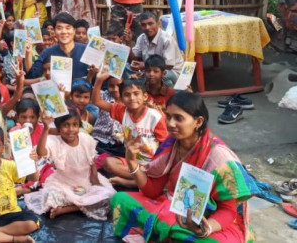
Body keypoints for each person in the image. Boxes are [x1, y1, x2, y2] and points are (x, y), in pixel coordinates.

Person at [111, 92, 259, 242]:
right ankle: (169, 229)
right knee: (120, 199)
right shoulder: (170, 144)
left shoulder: (219, 157)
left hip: (209, 219)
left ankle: (168, 230)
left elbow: (228, 210)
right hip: (172, 207)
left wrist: (205, 228)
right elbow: (153, 191)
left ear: (198, 121)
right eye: (168, 117)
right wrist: (131, 162)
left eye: (178, 118)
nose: (170, 124)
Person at [25, 109, 115, 220]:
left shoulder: (85, 138)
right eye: (66, 125)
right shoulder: (54, 141)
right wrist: (46, 128)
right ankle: (81, 205)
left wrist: (95, 184)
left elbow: (92, 163)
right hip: (63, 183)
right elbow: (41, 152)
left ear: (79, 126)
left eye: (74, 125)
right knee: (50, 195)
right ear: (58, 128)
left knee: (107, 196)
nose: (71, 129)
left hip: (86, 181)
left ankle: (69, 208)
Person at [92, 76, 168, 187]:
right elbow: (97, 101)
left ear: (145, 96)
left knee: (157, 171)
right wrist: (99, 79)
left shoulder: (155, 116)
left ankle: (133, 182)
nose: (132, 98)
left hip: (151, 163)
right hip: (132, 162)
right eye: (127, 95)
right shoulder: (121, 111)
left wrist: (156, 165)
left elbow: (165, 145)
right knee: (108, 163)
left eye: (136, 94)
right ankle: (141, 180)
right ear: (122, 98)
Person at [26, 12, 89, 80]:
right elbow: (32, 75)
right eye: (59, 28)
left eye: (68, 28)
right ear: (54, 31)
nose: (64, 32)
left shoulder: (86, 50)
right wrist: (28, 52)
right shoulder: (47, 52)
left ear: (74, 31)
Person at [128, 12, 184, 85]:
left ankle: (169, 90)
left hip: (172, 72)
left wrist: (145, 66)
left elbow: (169, 65)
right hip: (149, 70)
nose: (147, 27)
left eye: (150, 23)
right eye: (143, 25)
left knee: (158, 76)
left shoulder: (166, 40)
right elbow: (134, 58)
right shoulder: (141, 38)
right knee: (126, 68)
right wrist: (128, 42)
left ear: (158, 23)